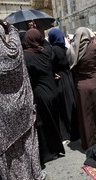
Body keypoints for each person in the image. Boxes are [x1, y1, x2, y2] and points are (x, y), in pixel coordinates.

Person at [0, 14, 45, 180]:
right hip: (21, 105)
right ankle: (34, 174)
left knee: (8, 148)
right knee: (28, 140)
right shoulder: (14, 50)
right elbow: (13, 30)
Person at [24, 28, 65, 165]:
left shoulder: (26, 57)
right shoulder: (47, 52)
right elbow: (47, 45)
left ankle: (48, 153)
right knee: (54, 122)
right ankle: (57, 148)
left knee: (44, 125)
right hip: (53, 90)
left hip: (40, 94)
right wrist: (40, 36)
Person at [67, 27, 96, 150]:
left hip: (82, 87)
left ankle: (88, 143)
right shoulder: (93, 47)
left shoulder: (71, 50)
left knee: (85, 115)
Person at [48, 28, 79, 142]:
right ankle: (75, 131)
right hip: (68, 77)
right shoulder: (65, 48)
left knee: (64, 106)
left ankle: (68, 132)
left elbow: (49, 64)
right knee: (71, 103)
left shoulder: (54, 50)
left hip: (60, 80)